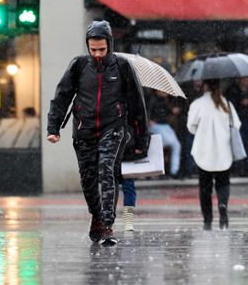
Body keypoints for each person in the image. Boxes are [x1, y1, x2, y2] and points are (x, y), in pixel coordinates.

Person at [46, 20, 150, 246]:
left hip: (113, 128)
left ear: (110, 45)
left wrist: (142, 140)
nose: (97, 54)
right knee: (88, 179)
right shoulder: (79, 65)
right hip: (84, 130)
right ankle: (97, 216)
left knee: (107, 170)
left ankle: (107, 225)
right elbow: (62, 96)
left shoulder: (122, 66)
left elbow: (137, 105)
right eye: (93, 50)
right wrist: (53, 128)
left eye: (102, 49)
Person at [187, 79, 241, 231]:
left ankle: (207, 220)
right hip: (224, 152)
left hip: (203, 152)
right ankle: (223, 205)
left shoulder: (197, 104)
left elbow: (191, 127)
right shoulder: (227, 104)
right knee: (223, 184)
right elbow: (236, 125)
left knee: (205, 188)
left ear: (205, 86)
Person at [225, 77, 248, 175]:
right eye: (244, 79)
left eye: (247, 80)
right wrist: (241, 101)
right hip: (238, 120)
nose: (246, 81)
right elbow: (230, 103)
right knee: (237, 144)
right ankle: (238, 168)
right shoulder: (233, 90)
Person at [146, 90, 182, 177]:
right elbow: (147, 111)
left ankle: (174, 171)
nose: (165, 92)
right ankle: (156, 170)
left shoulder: (164, 100)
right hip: (156, 125)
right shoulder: (152, 99)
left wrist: (172, 108)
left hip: (165, 126)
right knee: (167, 143)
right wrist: (149, 120)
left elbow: (169, 112)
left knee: (176, 145)